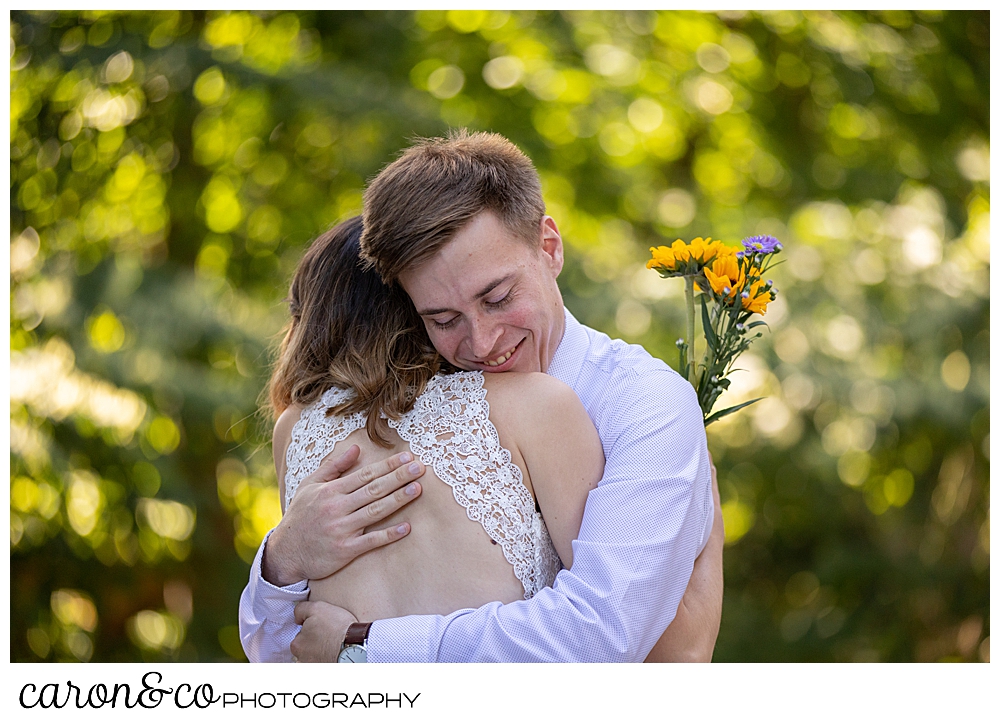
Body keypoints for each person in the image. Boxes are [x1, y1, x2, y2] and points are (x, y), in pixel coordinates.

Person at [240, 130, 723, 663]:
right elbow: (279, 657)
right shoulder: (425, 411)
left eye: (498, 298)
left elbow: (601, 634)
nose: (482, 342)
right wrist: (281, 560)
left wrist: (362, 645)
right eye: (442, 320)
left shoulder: (646, 404)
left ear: (550, 248)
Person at [263, 214, 609, 654]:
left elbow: (283, 639)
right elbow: (604, 617)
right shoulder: (533, 404)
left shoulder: (294, 430)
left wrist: (355, 650)